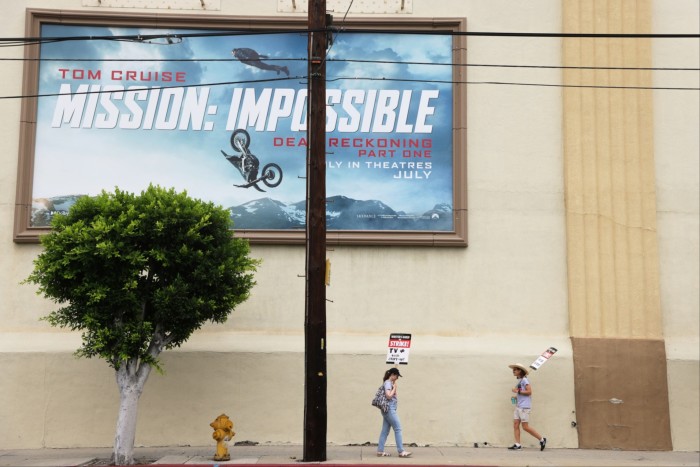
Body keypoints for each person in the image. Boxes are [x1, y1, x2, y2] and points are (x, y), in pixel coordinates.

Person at [508, 363, 547, 451]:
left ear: (520, 371)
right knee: (515, 425)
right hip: (518, 406)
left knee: (525, 427)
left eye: (515, 369)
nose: (513, 371)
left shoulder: (525, 380)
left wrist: (517, 391)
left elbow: (529, 392)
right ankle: (518, 444)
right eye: (513, 369)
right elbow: (522, 392)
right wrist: (516, 396)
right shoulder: (520, 380)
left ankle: (542, 439)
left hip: (524, 407)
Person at [376, 368, 412, 458]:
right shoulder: (388, 383)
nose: (397, 378)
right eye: (396, 376)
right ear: (392, 374)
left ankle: (380, 451)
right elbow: (388, 396)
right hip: (389, 409)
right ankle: (401, 451)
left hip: (387, 409)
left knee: (385, 431)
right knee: (398, 428)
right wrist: (394, 388)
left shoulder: (388, 383)